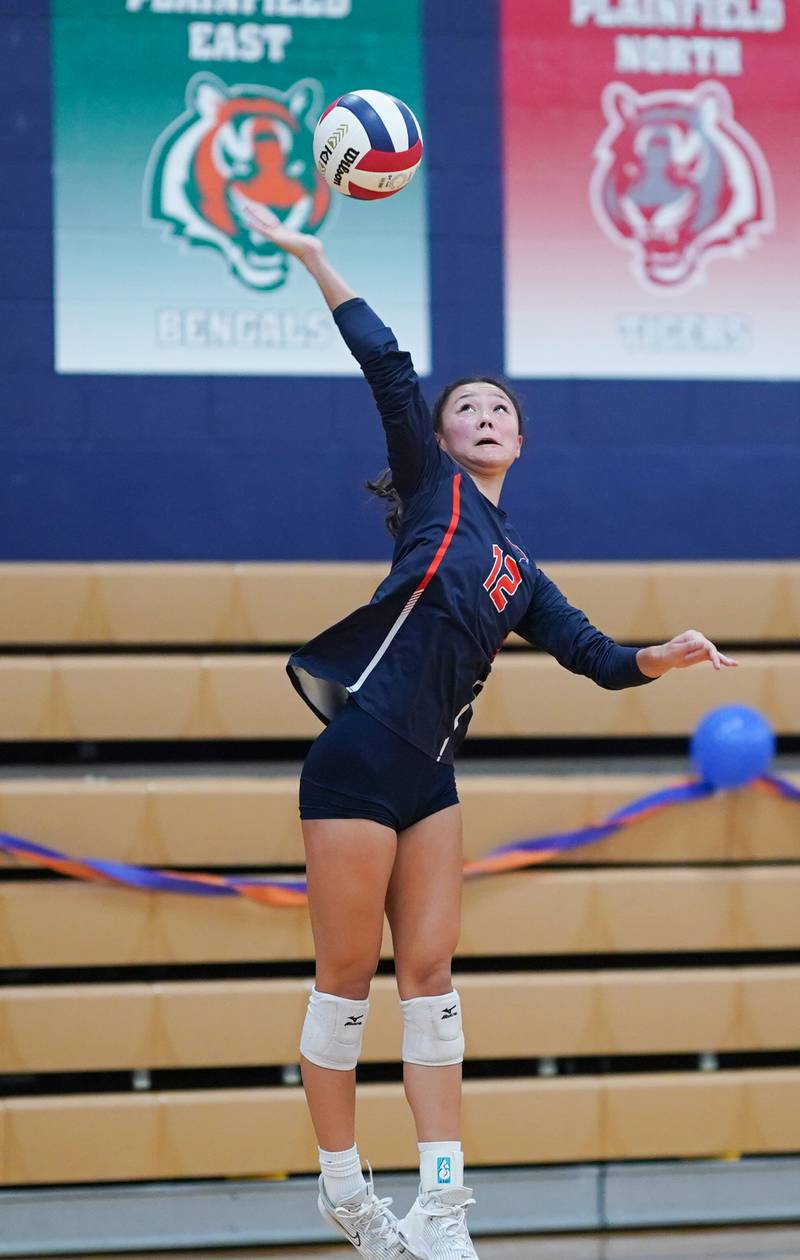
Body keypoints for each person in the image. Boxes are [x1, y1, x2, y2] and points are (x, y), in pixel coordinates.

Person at [241, 197, 738, 1260]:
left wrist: (668, 651)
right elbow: (384, 362)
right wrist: (316, 259)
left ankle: (441, 1206)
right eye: (462, 407)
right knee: (344, 993)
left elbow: (601, 661)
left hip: (430, 778)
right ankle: (344, 1192)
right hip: (357, 760)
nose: (479, 415)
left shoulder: (518, 569)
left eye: (496, 409)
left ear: (520, 436)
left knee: (433, 988)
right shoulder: (431, 493)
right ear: (439, 435)